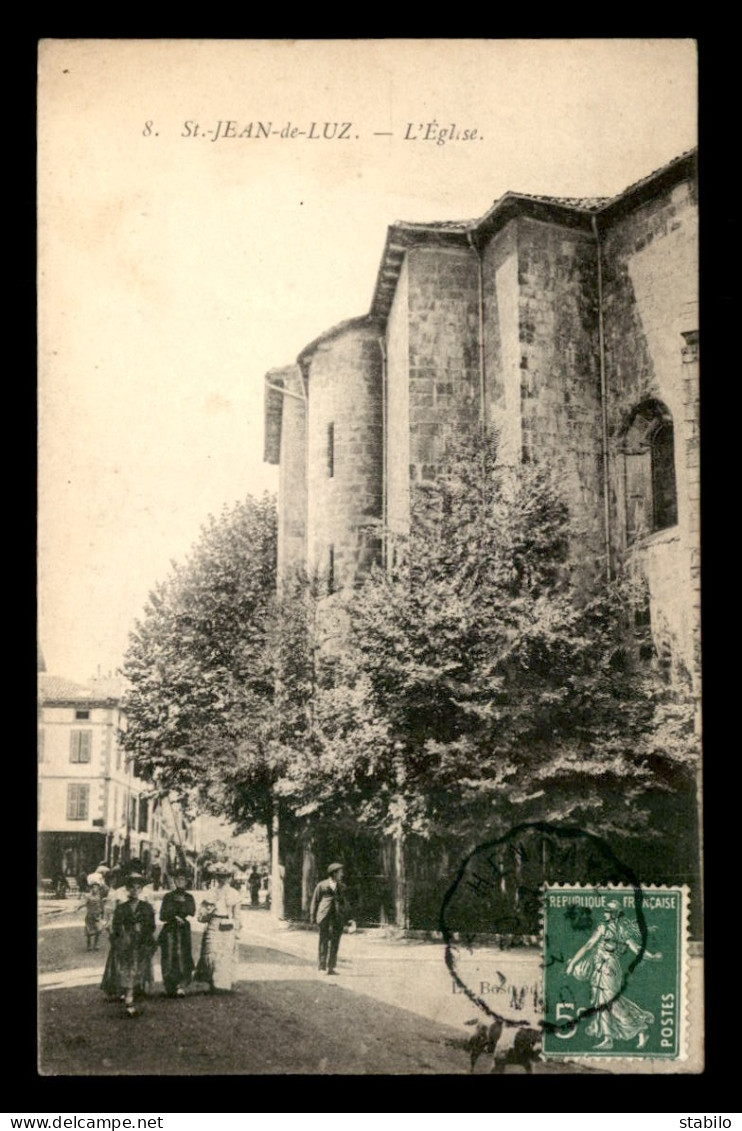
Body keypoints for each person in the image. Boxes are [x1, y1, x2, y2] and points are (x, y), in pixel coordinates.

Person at [565, 899, 662, 1050]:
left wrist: (652, 957)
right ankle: (608, 1038)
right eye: (605, 910)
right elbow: (589, 946)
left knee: (611, 1002)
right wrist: (572, 964)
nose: (605, 913)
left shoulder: (616, 929)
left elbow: (636, 949)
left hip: (609, 968)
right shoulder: (606, 927)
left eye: (608, 911)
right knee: (600, 1003)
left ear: (615, 914)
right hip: (599, 967)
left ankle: (641, 1028)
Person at [101, 870, 156, 1017]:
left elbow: (151, 926)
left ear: (141, 890)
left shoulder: (146, 907)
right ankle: (129, 999)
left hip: (141, 942)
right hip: (127, 942)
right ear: (127, 889)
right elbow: (117, 926)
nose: (135, 891)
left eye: (138, 888)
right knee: (128, 969)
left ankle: (132, 993)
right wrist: (120, 937)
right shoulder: (122, 908)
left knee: (139, 969)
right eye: (132, 888)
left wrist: (143, 930)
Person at [195, 863, 242, 992]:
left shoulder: (234, 894)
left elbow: (238, 916)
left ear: (229, 878)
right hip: (213, 924)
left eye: (226, 877)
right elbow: (200, 917)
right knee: (211, 952)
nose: (223, 879)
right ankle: (213, 982)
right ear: (216, 877)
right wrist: (209, 911)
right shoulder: (211, 893)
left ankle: (224, 984)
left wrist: (235, 927)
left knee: (226, 954)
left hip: (228, 925)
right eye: (220, 877)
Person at [158, 867, 196, 997]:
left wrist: (181, 914)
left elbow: (192, 911)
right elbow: (162, 915)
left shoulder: (189, 897)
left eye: (183, 879)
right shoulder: (168, 896)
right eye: (178, 879)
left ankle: (181, 985)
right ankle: (170, 984)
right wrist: (174, 916)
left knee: (183, 956)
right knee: (169, 956)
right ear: (174, 881)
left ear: (186, 882)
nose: (180, 882)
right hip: (170, 930)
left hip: (183, 929)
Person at [309, 863, 349, 975]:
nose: (342, 874)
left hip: (337, 917)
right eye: (340, 872)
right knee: (323, 941)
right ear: (334, 873)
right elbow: (315, 901)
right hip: (324, 916)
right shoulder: (322, 885)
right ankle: (322, 967)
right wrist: (313, 916)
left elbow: (344, 903)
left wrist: (348, 917)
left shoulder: (342, 887)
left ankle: (331, 967)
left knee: (335, 942)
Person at [77, 875, 109, 951]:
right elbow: (84, 903)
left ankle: (96, 944)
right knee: (89, 932)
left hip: (97, 916)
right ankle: (89, 944)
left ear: (98, 889)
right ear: (91, 888)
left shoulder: (99, 897)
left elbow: (102, 906)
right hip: (89, 917)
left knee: (99, 930)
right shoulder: (88, 896)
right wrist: (78, 907)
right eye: (93, 887)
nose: (95, 889)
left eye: (96, 887)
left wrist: (103, 914)